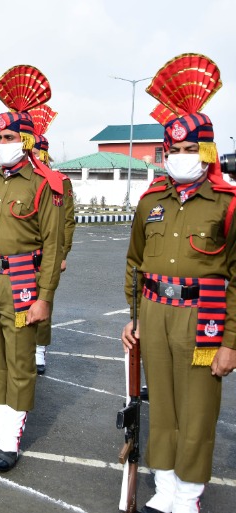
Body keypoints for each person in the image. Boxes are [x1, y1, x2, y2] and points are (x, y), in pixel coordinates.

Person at [122, 53, 236, 513]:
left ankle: (188, 495)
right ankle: (164, 488)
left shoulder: (227, 203)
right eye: (173, 150)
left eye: (191, 150)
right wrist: (133, 317)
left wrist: (230, 341)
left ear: (206, 151)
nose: (181, 158)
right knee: (163, 404)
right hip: (154, 313)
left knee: (197, 408)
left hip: (203, 314)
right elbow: (134, 262)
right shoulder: (151, 199)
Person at [0, 65, 64, 473]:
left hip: (22, 280)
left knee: (20, 361)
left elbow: (53, 248)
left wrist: (44, 298)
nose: (2, 143)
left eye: (9, 137)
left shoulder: (44, 184)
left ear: (25, 140)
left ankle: (11, 438)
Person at [28, 106, 72, 374]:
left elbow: (66, 221)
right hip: (21, 255)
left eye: (34, 151)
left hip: (47, 253)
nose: (30, 156)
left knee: (43, 298)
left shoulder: (58, 181)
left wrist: (63, 254)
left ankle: (40, 348)